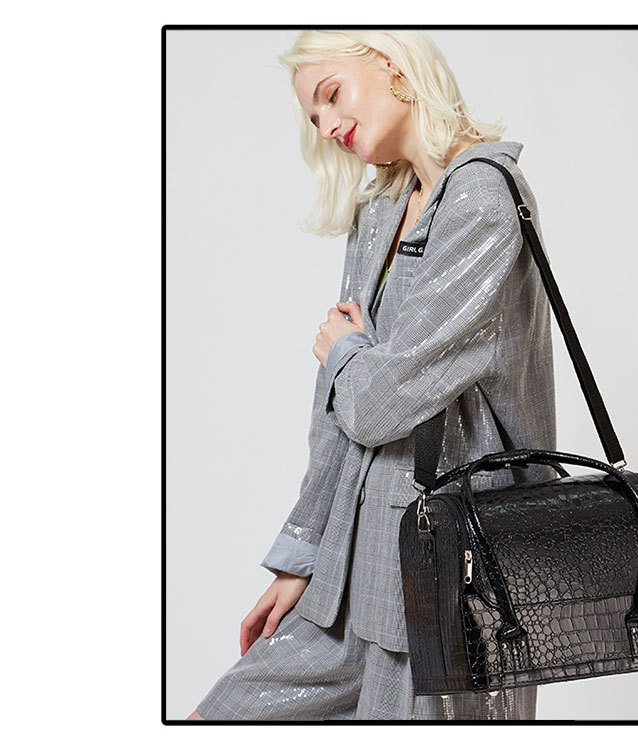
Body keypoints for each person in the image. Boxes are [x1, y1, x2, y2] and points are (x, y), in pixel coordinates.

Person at [188, 29, 557, 721]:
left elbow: (378, 401)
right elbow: (335, 411)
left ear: (390, 66)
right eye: (314, 119)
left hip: (450, 569)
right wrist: (300, 554)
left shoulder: (482, 198)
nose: (327, 126)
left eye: (331, 96)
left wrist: (345, 351)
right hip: (352, 565)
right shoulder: (382, 208)